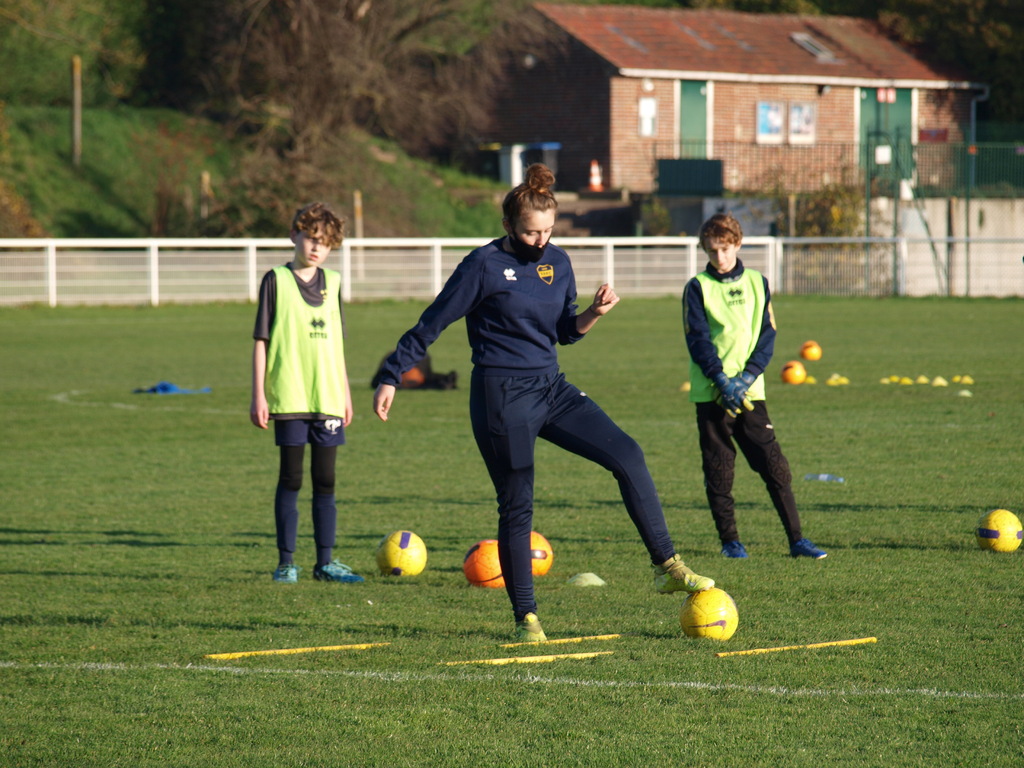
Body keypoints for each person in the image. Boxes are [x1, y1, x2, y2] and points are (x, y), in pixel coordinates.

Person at [373, 164, 714, 642]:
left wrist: (594, 313)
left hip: (551, 388)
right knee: (518, 503)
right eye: (532, 232)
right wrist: (392, 375)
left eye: (549, 231)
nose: (541, 241)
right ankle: (526, 618)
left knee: (628, 454)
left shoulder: (559, 262)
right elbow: (433, 322)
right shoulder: (483, 265)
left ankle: (667, 566)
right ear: (508, 225)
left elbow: (563, 333)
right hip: (501, 396)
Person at [682, 212, 826, 560]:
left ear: (738, 244)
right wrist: (721, 381)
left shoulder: (757, 282)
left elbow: (767, 334)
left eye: (725, 249)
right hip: (713, 395)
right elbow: (698, 341)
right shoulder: (698, 287)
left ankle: (797, 540)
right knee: (719, 470)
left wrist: (746, 378)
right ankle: (731, 542)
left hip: (750, 393)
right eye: (712, 250)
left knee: (775, 467)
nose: (719, 257)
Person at [250, 202, 364, 584]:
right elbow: (262, 340)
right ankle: (286, 563)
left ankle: (325, 563)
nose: (317, 247)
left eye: (325, 242)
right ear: (294, 235)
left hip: (328, 397)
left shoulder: (334, 283)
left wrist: (345, 394)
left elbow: (337, 344)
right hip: (290, 396)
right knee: (292, 479)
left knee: (326, 480)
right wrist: (259, 394)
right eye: (311, 238)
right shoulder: (276, 280)